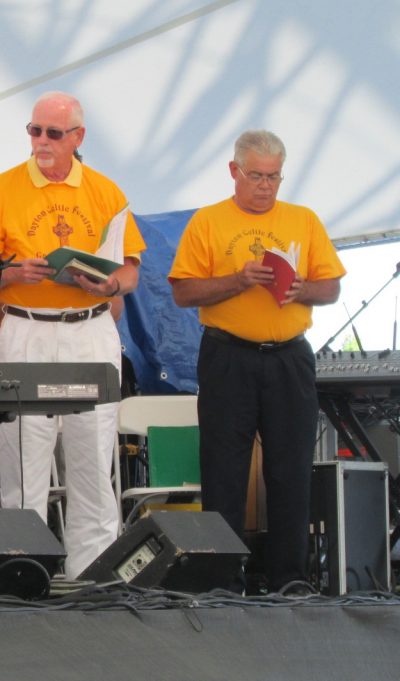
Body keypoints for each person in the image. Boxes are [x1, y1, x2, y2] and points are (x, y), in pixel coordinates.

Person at [0, 91, 146, 578]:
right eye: (34, 130)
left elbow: (130, 270)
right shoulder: (1, 188)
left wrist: (109, 283)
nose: (41, 141)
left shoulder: (106, 190)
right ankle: (22, 574)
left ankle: (94, 578)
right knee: (24, 465)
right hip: (24, 328)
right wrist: (10, 272)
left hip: (90, 330)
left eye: (52, 133)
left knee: (92, 462)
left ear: (78, 137)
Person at [169, 130, 344, 592]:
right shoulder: (208, 222)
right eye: (256, 176)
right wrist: (239, 280)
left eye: (273, 177)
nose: (265, 186)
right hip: (228, 354)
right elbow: (183, 290)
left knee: (290, 469)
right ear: (234, 172)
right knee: (223, 469)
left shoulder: (303, 219)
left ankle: (290, 578)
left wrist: (301, 288)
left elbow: (332, 287)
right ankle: (222, 580)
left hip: (289, 356)